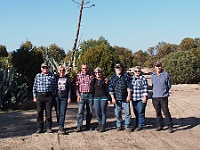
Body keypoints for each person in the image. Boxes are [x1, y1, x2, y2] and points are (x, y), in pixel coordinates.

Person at [33, 63, 56, 134]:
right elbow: (35, 86)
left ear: (48, 68)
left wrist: (53, 95)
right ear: (41, 69)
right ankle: (40, 128)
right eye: (43, 68)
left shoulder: (52, 76)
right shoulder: (38, 76)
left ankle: (48, 127)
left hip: (49, 96)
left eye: (46, 67)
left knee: (48, 112)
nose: (45, 69)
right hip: (40, 95)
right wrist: (34, 96)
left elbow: (55, 86)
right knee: (39, 112)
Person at [109, 63, 132, 132]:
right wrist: (112, 98)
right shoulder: (112, 77)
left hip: (125, 97)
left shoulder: (125, 76)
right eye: (117, 67)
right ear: (115, 69)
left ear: (121, 68)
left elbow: (129, 86)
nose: (118, 68)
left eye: (119, 67)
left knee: (127, 113)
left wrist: (129, 96)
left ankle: (127, 125)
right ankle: (119, 125)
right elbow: (111, 88)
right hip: (117, 98)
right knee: (117, 113)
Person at [151, 61, 173, 133]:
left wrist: (165, 91)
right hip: (155, 97)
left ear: (161, 66)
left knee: (166, 111)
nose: (158, 67)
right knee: (158, 112)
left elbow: (169, 85)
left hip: (163, 96)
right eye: (157, 66)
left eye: (159, 66)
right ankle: (160, 125)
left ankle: (170, 126)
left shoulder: (165, 74)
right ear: (155, 67)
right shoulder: (153, 75)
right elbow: (153, 85)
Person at [75, 62, 95, 132]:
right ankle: (79, 126)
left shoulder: (92, 75)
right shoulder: (78, 75)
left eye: (86, 68)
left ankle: (88, 125)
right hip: (82, 95)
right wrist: (78, 95)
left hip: (90, 95)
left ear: (88, 68)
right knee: (80, 111)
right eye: (83, 68)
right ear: (81, 68)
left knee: (89, 111)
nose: (85, 69)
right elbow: (76, 86)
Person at [130, 66, 148, 131]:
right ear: (134, 72)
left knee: (141, 111)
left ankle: (141, 125)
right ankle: (137, 123)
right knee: (136, 112)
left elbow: (145, 88)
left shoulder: (143, 79)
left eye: (138, 71)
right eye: (136, 71)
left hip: (141, 98)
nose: (137, 72)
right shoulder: (131, 79)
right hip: (134, 98)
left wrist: (145, 97)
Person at [56, 65, 71, 134]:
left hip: (64, 98)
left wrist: (69, 97)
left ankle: (61, 127)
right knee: (58, 112)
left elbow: (69, 89)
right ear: (58, 71)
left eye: (63, 70)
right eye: (60, 70)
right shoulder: (56, 78)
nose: (62, 72)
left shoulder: (67, 79)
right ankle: (59, 123)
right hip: (57, 97)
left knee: (63, 113)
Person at [93, 67, 110, 132]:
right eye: (96, 73)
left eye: (99, 72)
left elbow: (107, 90)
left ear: (101, 73)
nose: (98, 74)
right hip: (96, 98)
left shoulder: (104, 80)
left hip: (103, 97)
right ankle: (100, 124)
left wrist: (108, 99)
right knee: (97, 113)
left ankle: (103, 125)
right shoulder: (94, 80)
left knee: (103, 112)